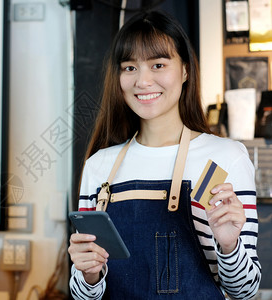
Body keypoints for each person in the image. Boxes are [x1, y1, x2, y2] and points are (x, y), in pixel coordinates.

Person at [68, 10, 261, 300]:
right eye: (129, 67)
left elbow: (245, 291)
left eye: (158, 64)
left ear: (185, 70)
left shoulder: (223, 158)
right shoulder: (99, 166)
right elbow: (83, 295)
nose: (143, 81)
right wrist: (87, 275)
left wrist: (230, 245)